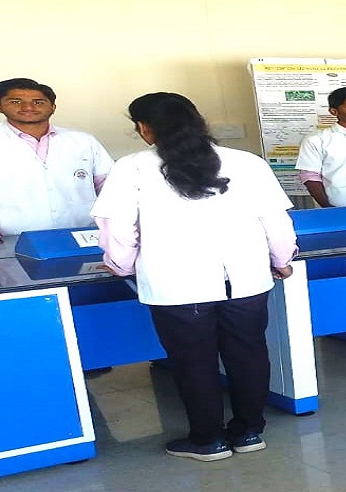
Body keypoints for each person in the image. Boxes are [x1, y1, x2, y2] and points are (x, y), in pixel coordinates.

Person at [91, 92, 297, 462]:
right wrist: (282, 260)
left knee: (193, 362)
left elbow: (119, 232)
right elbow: (277, 223)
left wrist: (121, 266)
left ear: (144, 128)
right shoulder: (247, 162)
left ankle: (208, 441)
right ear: (198, 121)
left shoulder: (132, 167)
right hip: (247, 281)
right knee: (249, 355)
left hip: (177, 287)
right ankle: (249, 432)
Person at [0, 78, 115, 239]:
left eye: (38, 102)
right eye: (16, 101)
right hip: (4, 238)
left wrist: (116, 224)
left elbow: (111, 186)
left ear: (53, 107)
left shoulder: (83, 141)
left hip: (82, 234)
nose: (28, 107)